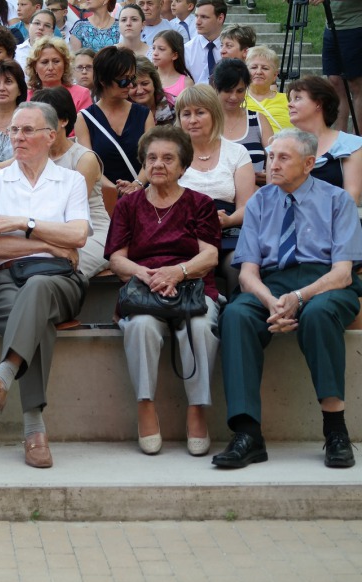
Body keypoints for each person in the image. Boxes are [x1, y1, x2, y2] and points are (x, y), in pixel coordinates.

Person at [213, 129, 362, 470]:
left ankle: (335, 430)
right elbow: (248, 273)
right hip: (272, 284)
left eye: (283, 157)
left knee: (319, 314)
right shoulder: (260, 202)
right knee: (236, 316)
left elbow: (342, 273)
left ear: (309, 164)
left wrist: (298, 297)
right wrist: (272, 303)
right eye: (270, 156)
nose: (272, 164)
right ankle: (248, 434)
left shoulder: (338, 201)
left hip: (325, 284)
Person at [0, 101, 90, 469]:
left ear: (50, 136)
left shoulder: (71, 181)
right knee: (34, 320)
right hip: (3, 277)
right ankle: (34, 430)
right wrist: (46, 243)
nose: (18, 138)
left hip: (59, 280)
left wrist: (23, 223)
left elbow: (79, 235)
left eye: (27, 130)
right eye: (14, 131)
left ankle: (3, 376)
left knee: (38, 287)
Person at [105, 125, 220, 456]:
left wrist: (178, 272)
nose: (158, 164)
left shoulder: (200, 203)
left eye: (168, 158)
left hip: (194, 286)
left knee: (199, 326)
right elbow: (116, 258)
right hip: (144, 287)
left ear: (183, 166)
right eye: (152, 158)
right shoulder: (128, 206)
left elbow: (210, 255)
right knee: (140, 326)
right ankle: (145, 405)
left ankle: (197, 408)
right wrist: (146, 273)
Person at [176, 84, 255, 294]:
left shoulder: (237, 152)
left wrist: (228, 220)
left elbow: (247, 206)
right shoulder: (170, 154)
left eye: (200, 112)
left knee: (236, 264)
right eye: (186, 114)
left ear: (214, 114)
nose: (192, 120)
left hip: (228, 230)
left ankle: (236, 318)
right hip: (182, 233)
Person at [32, 86, 110, 280]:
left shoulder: (84, 158)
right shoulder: (34, 155)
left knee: (52, 271)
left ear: (64, 120)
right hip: (50, 233)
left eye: (46, 119)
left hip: (91, 233)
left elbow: (68, 208)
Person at [74, 46, 153, 194]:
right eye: (123, 81)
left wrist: (137, 184)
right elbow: (89, 164)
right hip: (105, 200)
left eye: (132, 79)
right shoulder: (84, 119)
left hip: (141, 196)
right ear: (103, 80)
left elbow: (152, 156)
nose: (130, 85)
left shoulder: (144, 115)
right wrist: (114, 189)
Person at [287, 75, 362, 205]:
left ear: (318, 103)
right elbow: (275, 199)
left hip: (333, 220)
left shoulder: (351, 145)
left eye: (297, 98)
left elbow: (351, 198)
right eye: (290, 99)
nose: (289, 104)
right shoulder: (279, 145)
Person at [212, 58, 272, 185]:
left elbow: (275, 156)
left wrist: (269, 175)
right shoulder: (206, 122)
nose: (234, 97)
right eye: (228, 91)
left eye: (240, 91)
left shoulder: (258, 120)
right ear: (216, 88)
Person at [317, 0, 362, 133]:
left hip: (355, 26)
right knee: (335, 82)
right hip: (331, 26)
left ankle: (358, 139)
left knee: (356, 84)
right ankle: (339, 137)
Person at [25, 36, 92, 112]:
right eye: (44, 62)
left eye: (56, 61)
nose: (50, 67)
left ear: (65, 64)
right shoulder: (25, 96)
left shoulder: (81, 94)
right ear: (34, 67)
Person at [183, 0, 225, 85]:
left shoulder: (232, 48)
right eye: (196, 16)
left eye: (204, 17)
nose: (197, 22)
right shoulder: (187, 49)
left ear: (220, 18)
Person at [152, 29, 193, 107]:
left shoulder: (186, 83)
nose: (155, 53)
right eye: (154, 48)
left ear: (174, 55)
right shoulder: (148, 77)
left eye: (161, 49)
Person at [130, 56, 174, 125]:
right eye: (133, 85)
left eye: (145, 84)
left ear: (154, 82)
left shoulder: (174, 105)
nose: (140, 91)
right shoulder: (121, 112)